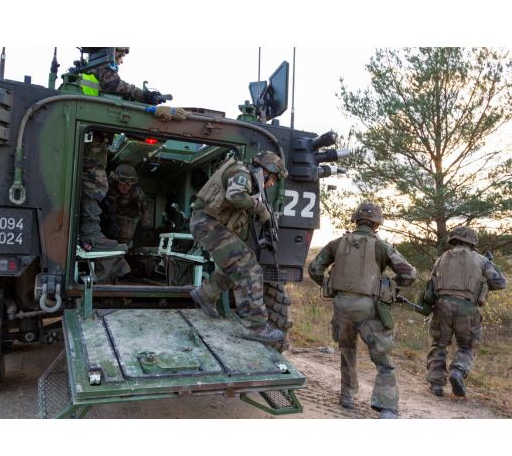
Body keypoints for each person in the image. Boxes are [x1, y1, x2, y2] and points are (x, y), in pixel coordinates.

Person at [308, 201, 417, 418]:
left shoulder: (336, 243)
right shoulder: (382, 247)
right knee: (383, 360)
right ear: (377, 224)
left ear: (356, 221)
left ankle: (347, 397)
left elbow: (314, 269)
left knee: (347, 352)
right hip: (368, 308)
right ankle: (386, 407)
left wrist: (329, 284)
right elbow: (409, 274)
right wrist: (389, 286)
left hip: (341, 307)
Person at [189, 151, 288, 344]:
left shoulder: (245, 177)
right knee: (250, 269)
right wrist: (260, 208)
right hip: (208, 224)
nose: (272, 184)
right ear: (265, 171)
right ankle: (255, 326)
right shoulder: (241, 172)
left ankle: (205, 294)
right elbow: (235, 196)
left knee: (238, 265)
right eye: (273, 179)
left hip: (207, 224)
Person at [79, 47, 163, 251]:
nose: (121, 60)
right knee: (95, 186)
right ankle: (90, 235)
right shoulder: (102, 62)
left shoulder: (93, 65)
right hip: (90, 136)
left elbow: (144, 212)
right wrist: (144, 96)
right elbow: (113, 84)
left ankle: (89, 234)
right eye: (121, 54)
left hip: (92, 133)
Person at [422, 226, 506, 397]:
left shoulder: (440, 259)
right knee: (467, 345)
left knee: (439, 344)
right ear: (472, 242)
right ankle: (458, 371)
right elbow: (500, 283)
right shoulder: (481, 260)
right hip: (467, 308)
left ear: (453, 239)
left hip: (441, 306)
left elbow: (431, 284)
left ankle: (436, 384)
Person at [101, 163, 149, 245]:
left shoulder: (137, 192)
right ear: (116, 180)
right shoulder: (107, 187)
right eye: (122, 180)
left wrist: (145, 228)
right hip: (109, 218)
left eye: (130, 182)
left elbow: (145, 211)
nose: (126, 186)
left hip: (128, 219)